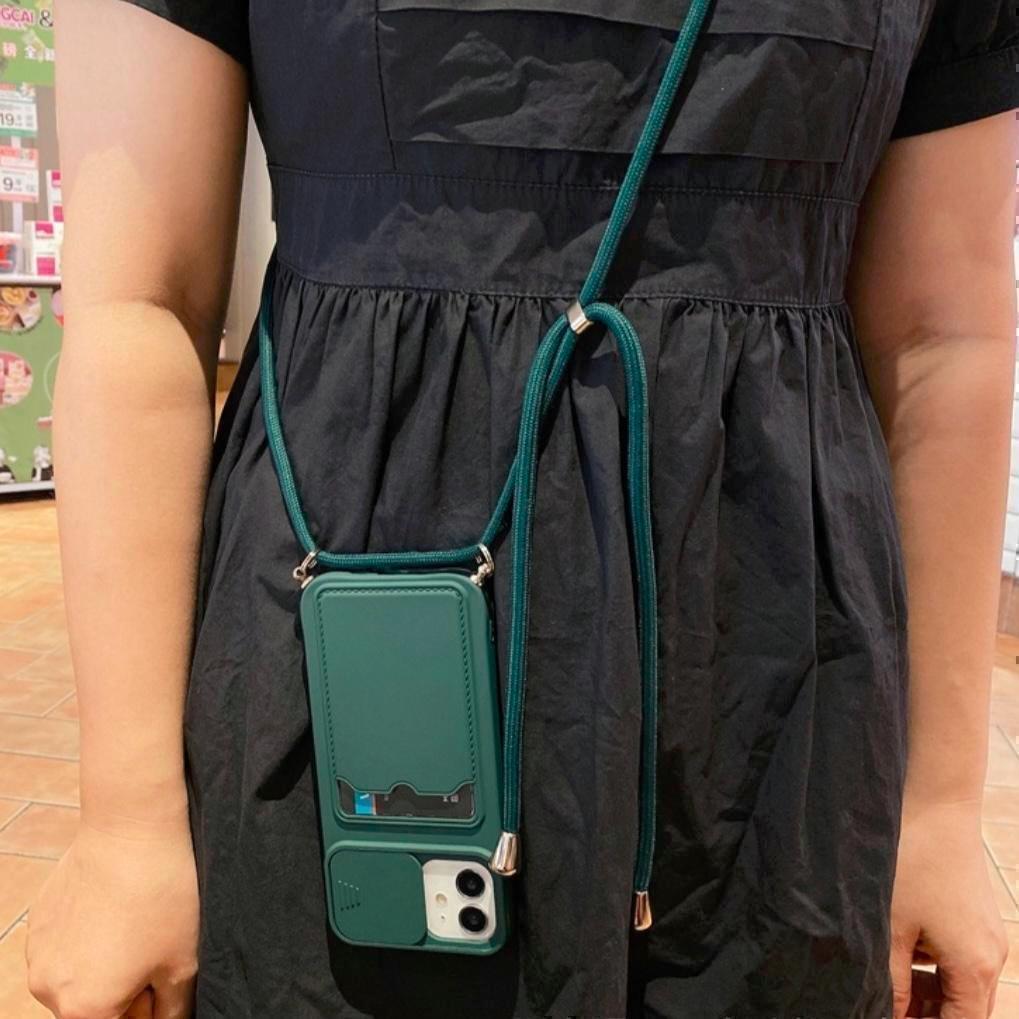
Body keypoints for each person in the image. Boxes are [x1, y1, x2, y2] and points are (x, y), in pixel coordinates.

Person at [26, 1, 1018, 1017]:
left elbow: (943, 336)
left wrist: (939, 804)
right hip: (352, 639)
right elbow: (139, 301)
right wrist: (126, 818)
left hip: (774, 672)